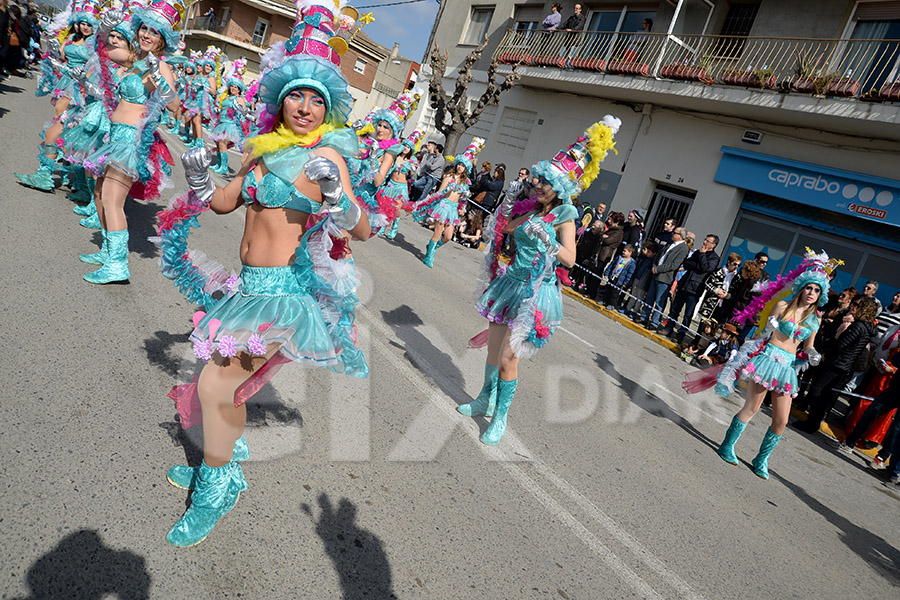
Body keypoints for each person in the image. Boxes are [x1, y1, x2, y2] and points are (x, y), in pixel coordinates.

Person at [156, 0, 371, 547]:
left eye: (316, 98)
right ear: (279, 99)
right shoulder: (261, 149)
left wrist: (334, 196)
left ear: (329, 109)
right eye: (294, 93)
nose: (303, 105)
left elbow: (363, 229)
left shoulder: (329, 156)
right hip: (245, 288)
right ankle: (217, 466)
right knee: (224, 388)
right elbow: (229, 203)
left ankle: (218, 484)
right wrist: (203, 181)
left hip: (281, 296)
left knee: (214, 385)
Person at [461, 117, 620, 446]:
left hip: (536, 293)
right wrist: (509, 204)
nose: (537, 184)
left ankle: (500, 417)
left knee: (508, 358)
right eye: (539, 178)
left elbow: (571, 258)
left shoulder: (565, 214)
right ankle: (483, 400)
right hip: (511, 283)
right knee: (493, 353)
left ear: (560, 187)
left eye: (545, 181)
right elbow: (505, 229)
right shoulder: (532, 209)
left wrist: (550, 242)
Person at [686, 250, 833, 479]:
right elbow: (763, 334)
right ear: (802, 287)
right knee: (752, 409)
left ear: (821, 294)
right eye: (809, 287)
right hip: (767, 360)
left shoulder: (815, 318)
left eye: (817, 290)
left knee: (782, 420)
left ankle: (761, 459)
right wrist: (770, 327)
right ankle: (727, 445)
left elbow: (808, 346)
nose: (812, 292)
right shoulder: (783, 307)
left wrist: (813, 354)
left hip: (786, 369)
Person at [77, 3, 180, 284]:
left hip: (132, 140)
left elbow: (175, 107)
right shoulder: (133, 59)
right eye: (144, 28)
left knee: (112, 199)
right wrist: (107, 27)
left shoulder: (162, 66)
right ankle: (109, 250)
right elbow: (103, 48)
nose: (146, 34)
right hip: (115, 135)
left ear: (163, 40)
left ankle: (118, 264)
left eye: (154, 32)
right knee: (100, 193)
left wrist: (158, 77)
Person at [795, 296, 878, 434]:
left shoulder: (858, 326)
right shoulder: (867, 328)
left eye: (858, 305)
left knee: (817, 391)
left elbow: (842, 344)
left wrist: (825, 353)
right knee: (824, 393)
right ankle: (813, 422)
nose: (854, 307)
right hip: (844, 364)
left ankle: (812, 423)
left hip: (836, 362)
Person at [412, 138, 483, 267]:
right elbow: (439, 192)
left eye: (463, 165)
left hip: (453, 209)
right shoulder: (449, 176)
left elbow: (462, 200)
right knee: (438, 232)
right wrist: (447, 189)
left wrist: (464, 201)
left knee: (448, 237)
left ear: (466, 168)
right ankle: (429, 256)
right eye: (459, 164)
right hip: (443, 206)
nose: (460, 167)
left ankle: (431, 248)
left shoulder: (466, 182)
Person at [659, 234, 720, 342]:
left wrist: (702, 255)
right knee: (675, 309)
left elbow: (706, 268)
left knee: (688, 314)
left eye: (708, 241)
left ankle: (681, 333)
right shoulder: (697, 252)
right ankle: (669, 328)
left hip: (695, 288)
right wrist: (697, 264)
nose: (705, 242)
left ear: (713, 245)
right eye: (705, 239)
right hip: (685, 284)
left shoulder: (714, 257)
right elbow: (687, 263)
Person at [636, 226, 688, 331]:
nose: (672, 234)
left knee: (660, 301)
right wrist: (654, 266)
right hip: (656, 274)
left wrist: (659, 269)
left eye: (675, 232)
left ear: (681, 236)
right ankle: (644, 317)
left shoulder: (683, 248)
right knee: (650, 297)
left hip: (665, 277)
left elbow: (674, 265)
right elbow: (659, 255)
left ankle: (654, 322)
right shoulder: (670, 243)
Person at [382, 127, 425, 240]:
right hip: (391, 183)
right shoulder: (396, 156)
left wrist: (413, 169)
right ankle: (383, 225)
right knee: (386, 206)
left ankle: (394, 228)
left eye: (408, 147)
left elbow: (413, 176)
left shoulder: (412, 160)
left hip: (401, 187)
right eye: (405, 146)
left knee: (396, 208)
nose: (406, 148)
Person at [209, 68, 249, 174]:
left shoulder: (239, 99)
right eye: (232, 86)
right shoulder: (226, 97)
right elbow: (222, 108)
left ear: (239, 90)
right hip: (221, 123)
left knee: (222, 143)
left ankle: (224, 167)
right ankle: (219, 164)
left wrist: (239, 110)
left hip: (230, 125)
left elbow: (243, 112)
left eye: (236, 87)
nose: (233, 88)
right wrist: (218, 109)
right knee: (218, 143)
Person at [586, 211, 624, 300]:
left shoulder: (618, 233)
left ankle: (592, 293)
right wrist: (603, 236)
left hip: (604, 255)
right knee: (592, 273)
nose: (609, 220)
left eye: (611, 219)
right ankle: (588, 290)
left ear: (616, 221)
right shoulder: (611, 229)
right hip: (598, 253)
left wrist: (604, 237)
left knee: (597, 275)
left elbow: (607, 241)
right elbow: (602, 236)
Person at [698, 253, 740, 321]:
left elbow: (736, 293)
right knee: (703, 327)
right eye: (735, 264)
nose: (736, 266)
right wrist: (717, 290)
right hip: (710, 304)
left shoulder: (737, 277)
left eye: (739, 265)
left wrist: (727, 295)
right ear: (729, 262)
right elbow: (707, 283)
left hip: (723, 308)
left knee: (715, 328)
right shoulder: (717, 272)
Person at [622, 241, 658, 317]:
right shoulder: (643, 258)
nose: (647, 253)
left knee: (639, 297)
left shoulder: (653, 262)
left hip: (644, 281)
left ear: (654, 253)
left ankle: (635, 311)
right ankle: (628, 309)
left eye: (649, 252)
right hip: (637, 278)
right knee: (633, 294)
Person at [409, 137, 445, 202]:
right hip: (427, 174)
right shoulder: (433, 156)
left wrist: (428, 163)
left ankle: (417, 204)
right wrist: (429, 164)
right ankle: (426, 190)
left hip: (433, 177)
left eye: (435, 148)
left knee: (424, 193)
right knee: (416, 184)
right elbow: (428, 164)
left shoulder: (440, 159)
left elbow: (432, 167)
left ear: (437, 149)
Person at [560, 3, 585, 69]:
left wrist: (572, 30)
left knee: (570, 56)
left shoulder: (581, 18)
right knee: (562, 54)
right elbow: (565, 25)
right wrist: (557, 28)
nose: (575, 9)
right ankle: (562, 66)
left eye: (577, 8)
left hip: (575, 40)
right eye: (575, 8)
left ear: (580, 10)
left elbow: (579, 26)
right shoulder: (571, 18)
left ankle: (568, 68)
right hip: (568, 39)